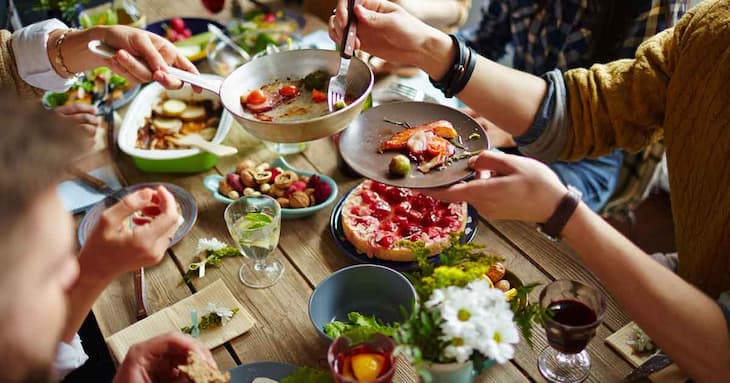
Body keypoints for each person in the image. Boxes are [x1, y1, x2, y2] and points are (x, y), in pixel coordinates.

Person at [330, 0, 730, 380]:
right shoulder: (711, 27)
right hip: (524, 135)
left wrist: (562, 212)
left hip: (601, 169)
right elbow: (589, 106)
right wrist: (427, 46)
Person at [457, 0, 685, 212]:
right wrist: (444, 49)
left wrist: (516, 129)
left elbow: (634, 114)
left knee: (497, 208)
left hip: (588, 155)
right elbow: (484, 42)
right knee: (452, 177)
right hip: (510, 115)